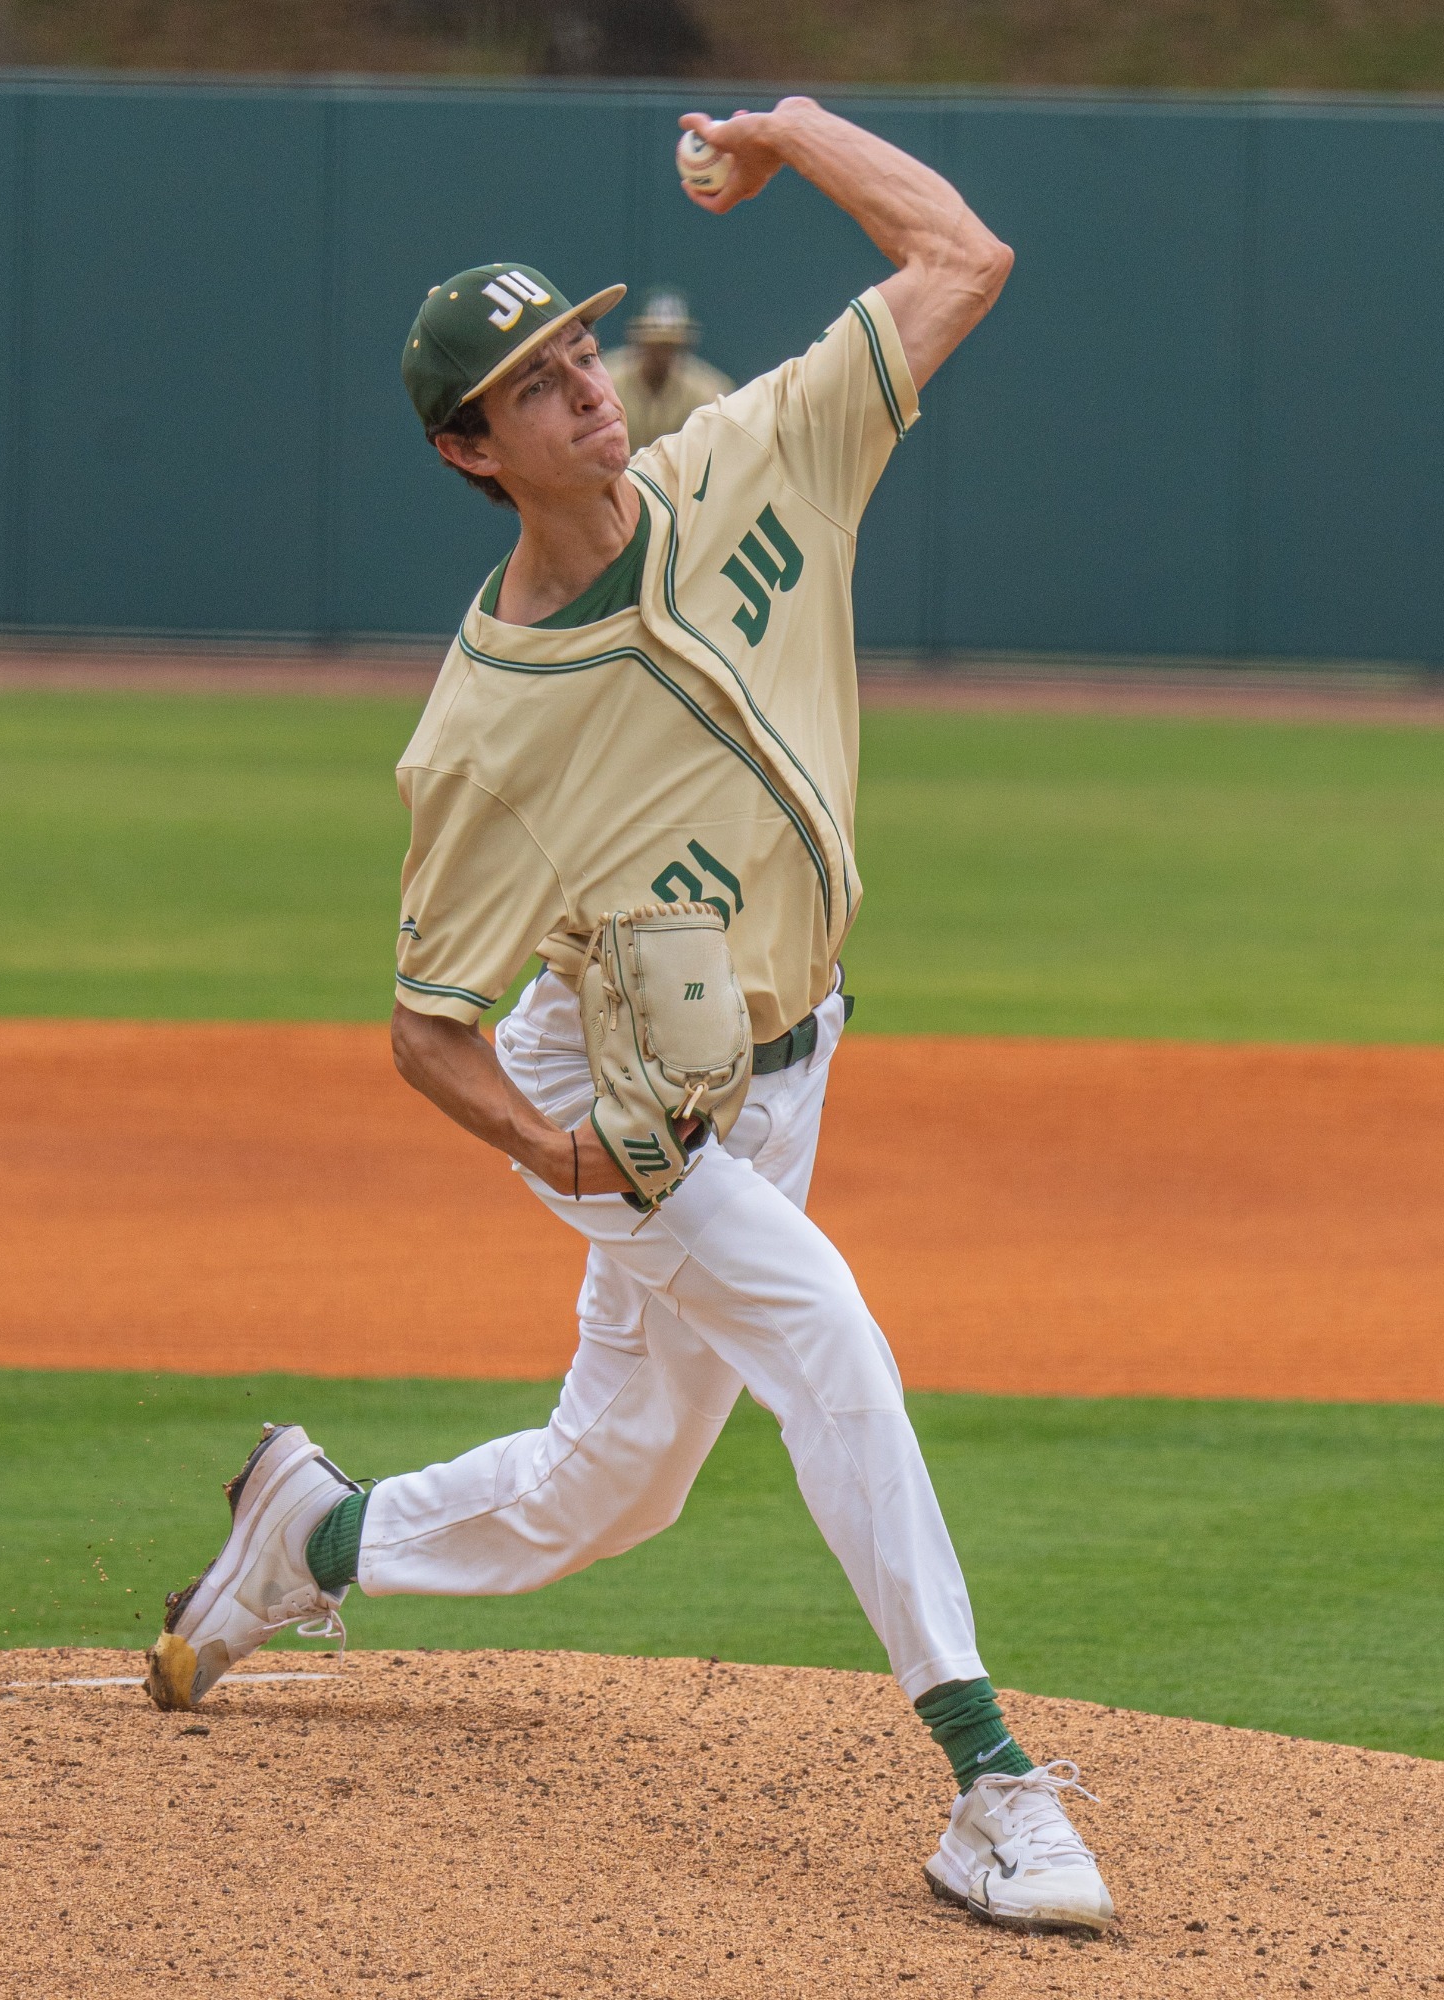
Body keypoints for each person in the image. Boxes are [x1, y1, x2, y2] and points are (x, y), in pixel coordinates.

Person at [147, 97, 1116, 1938]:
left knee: (618, 1487)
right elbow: (424, 1029)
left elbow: (960, 259)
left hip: (787, 1056)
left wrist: (793, 130)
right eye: (533, 381)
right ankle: (991, 1786)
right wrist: (558, 1148)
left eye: (580, 348)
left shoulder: (757, 454)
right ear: (469, 450)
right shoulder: (482, 737)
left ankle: (311, 1534)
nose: (584, 387)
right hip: (622, 1093)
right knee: (828, 1339)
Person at [603, 287, 735, 448]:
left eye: (670, 346)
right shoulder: (607, 383)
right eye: (655, 345)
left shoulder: (707, 391)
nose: (662, 354)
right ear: (640, 342)